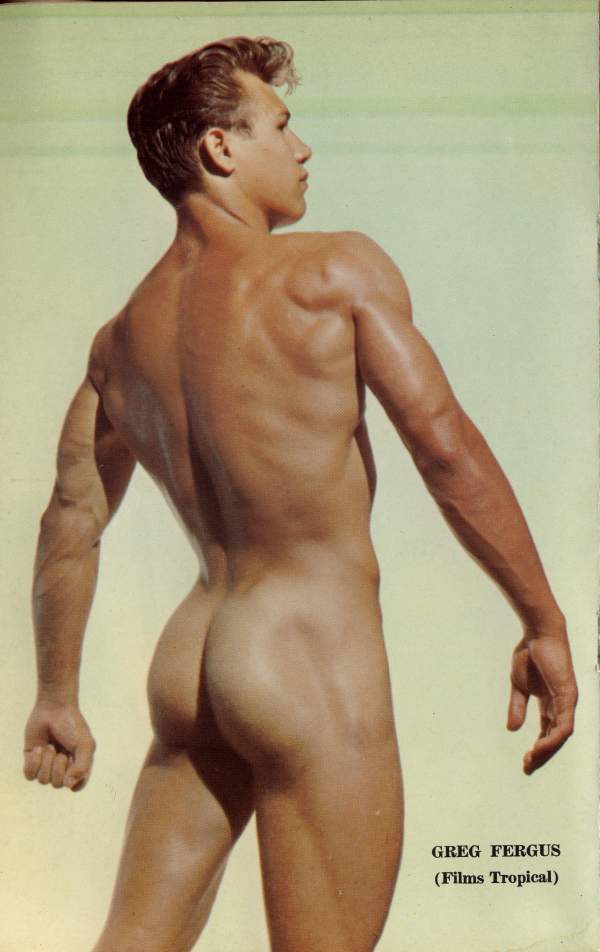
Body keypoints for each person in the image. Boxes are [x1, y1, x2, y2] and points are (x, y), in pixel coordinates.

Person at [22, 36, 577, 952]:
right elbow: (445, 449)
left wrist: (56, 694)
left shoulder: (120, 340)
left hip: (193, 661)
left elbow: (72, 520)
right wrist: (542, 620)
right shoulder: (331, 272)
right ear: (220, 148)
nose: (303, 147)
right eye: (280, 126)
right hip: (307, 654)